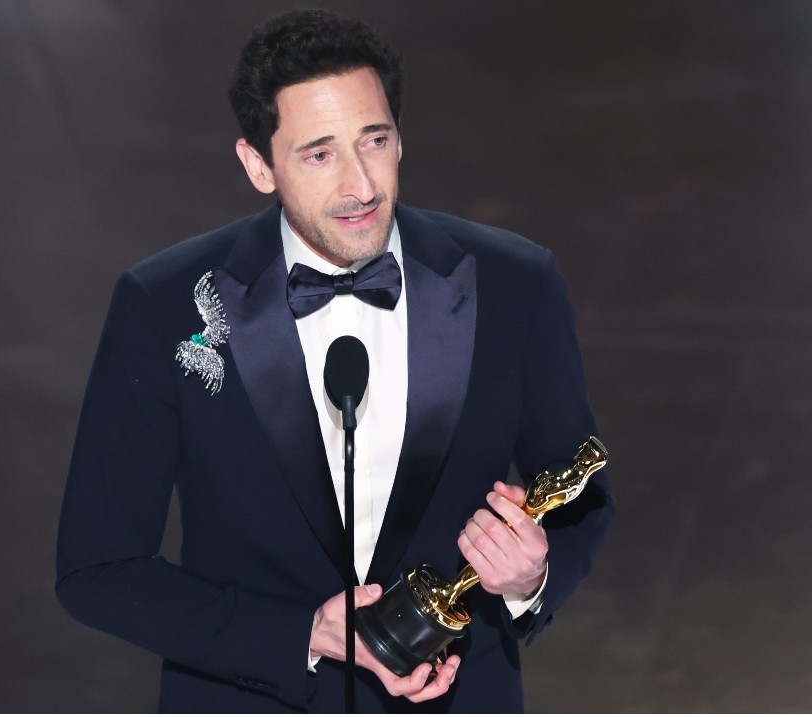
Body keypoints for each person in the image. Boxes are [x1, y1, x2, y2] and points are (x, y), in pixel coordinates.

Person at [56, 8, 613, 713]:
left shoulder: (514, 283)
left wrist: (530, 577)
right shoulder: (164, 303)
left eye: (373, 141)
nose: (361, 185)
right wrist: (301, 635)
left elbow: (580, 493)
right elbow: (98, 567)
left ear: (400, 139)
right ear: (259, 166)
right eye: (319, 155)